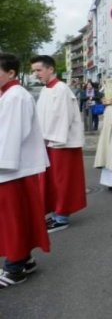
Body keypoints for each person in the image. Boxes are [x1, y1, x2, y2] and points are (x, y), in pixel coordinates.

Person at [0, 53, 50, 288]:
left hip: (10, 169)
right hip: (14, 169)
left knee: (12, 220)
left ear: (10, 72)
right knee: (18, 217)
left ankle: (14, 268)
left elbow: (9, 136)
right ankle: (25, 259)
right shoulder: (10, 95)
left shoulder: (14, 97)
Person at [30, 55, 87, 232]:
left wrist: (51, 138)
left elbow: (63, 117)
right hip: (49, 142)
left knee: (62, 181)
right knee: (51, 181)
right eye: (34, 71)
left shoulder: (61, 90)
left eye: (38, 70)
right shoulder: (47, 89)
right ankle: (55, 213)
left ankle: (62, 216)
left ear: (50, 69)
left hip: (61, 143)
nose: (36, 74)